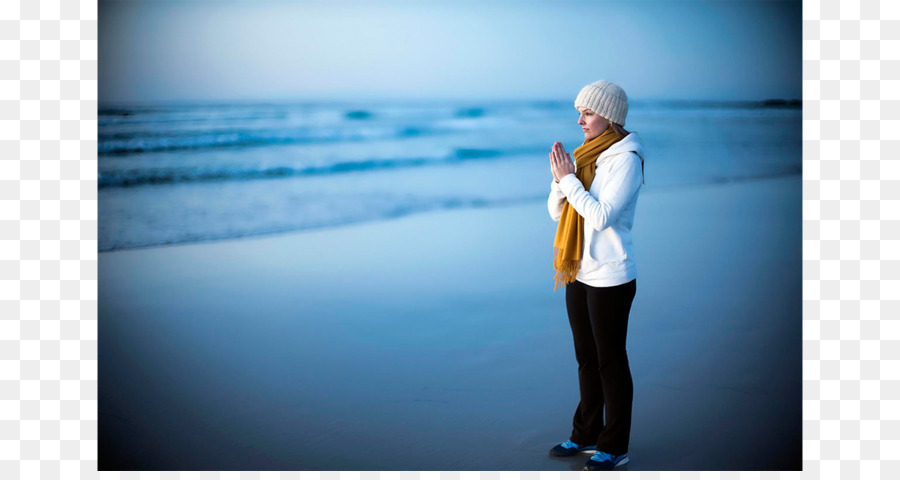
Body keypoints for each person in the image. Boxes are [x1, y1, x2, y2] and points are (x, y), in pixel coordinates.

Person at [546, 80, 645, 471]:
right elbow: (558, 213)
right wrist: (559, 181)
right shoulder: (585, 155)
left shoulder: (626, 157)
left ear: (609, 116)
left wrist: (569, 181)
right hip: (579, 271)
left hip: (612, 276)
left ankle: (615, 445)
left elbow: (602, 216)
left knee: (610, 362)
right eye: (580, 112)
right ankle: (586, 433)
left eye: (587, 112)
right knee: (586, 359)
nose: (580, 120)